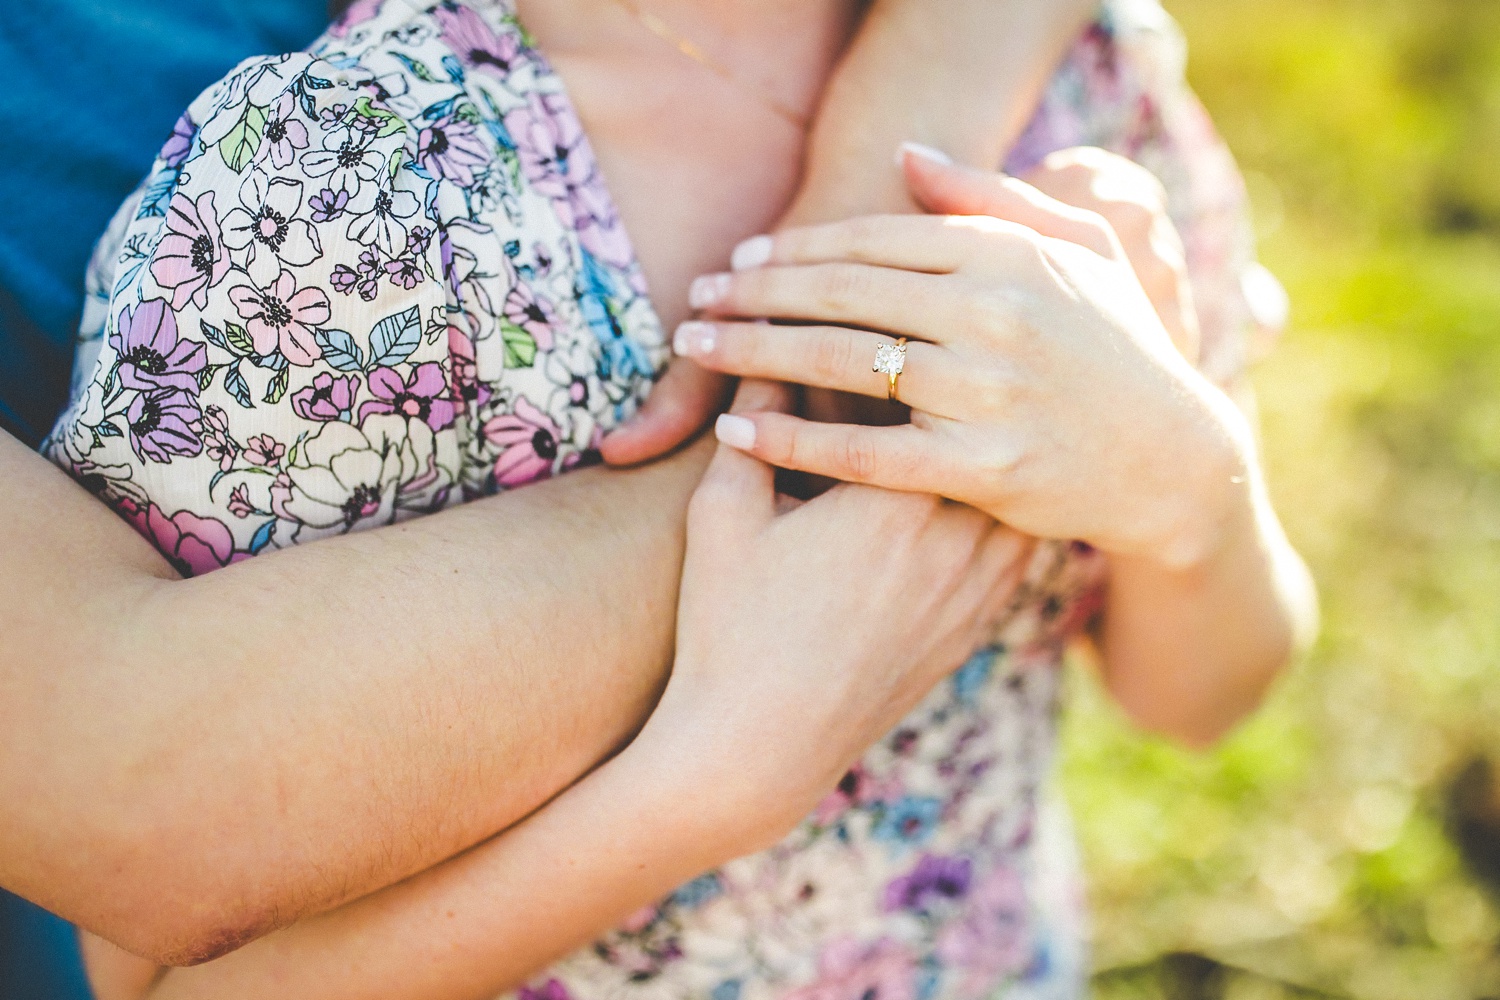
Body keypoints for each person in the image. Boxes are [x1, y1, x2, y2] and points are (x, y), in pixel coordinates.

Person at [14, 3, 1314, 1000]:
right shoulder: (323, 205)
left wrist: (1189, 492)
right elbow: (159, 975)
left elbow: (1208, 691)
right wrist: (718, 775)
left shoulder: (1079, 77)